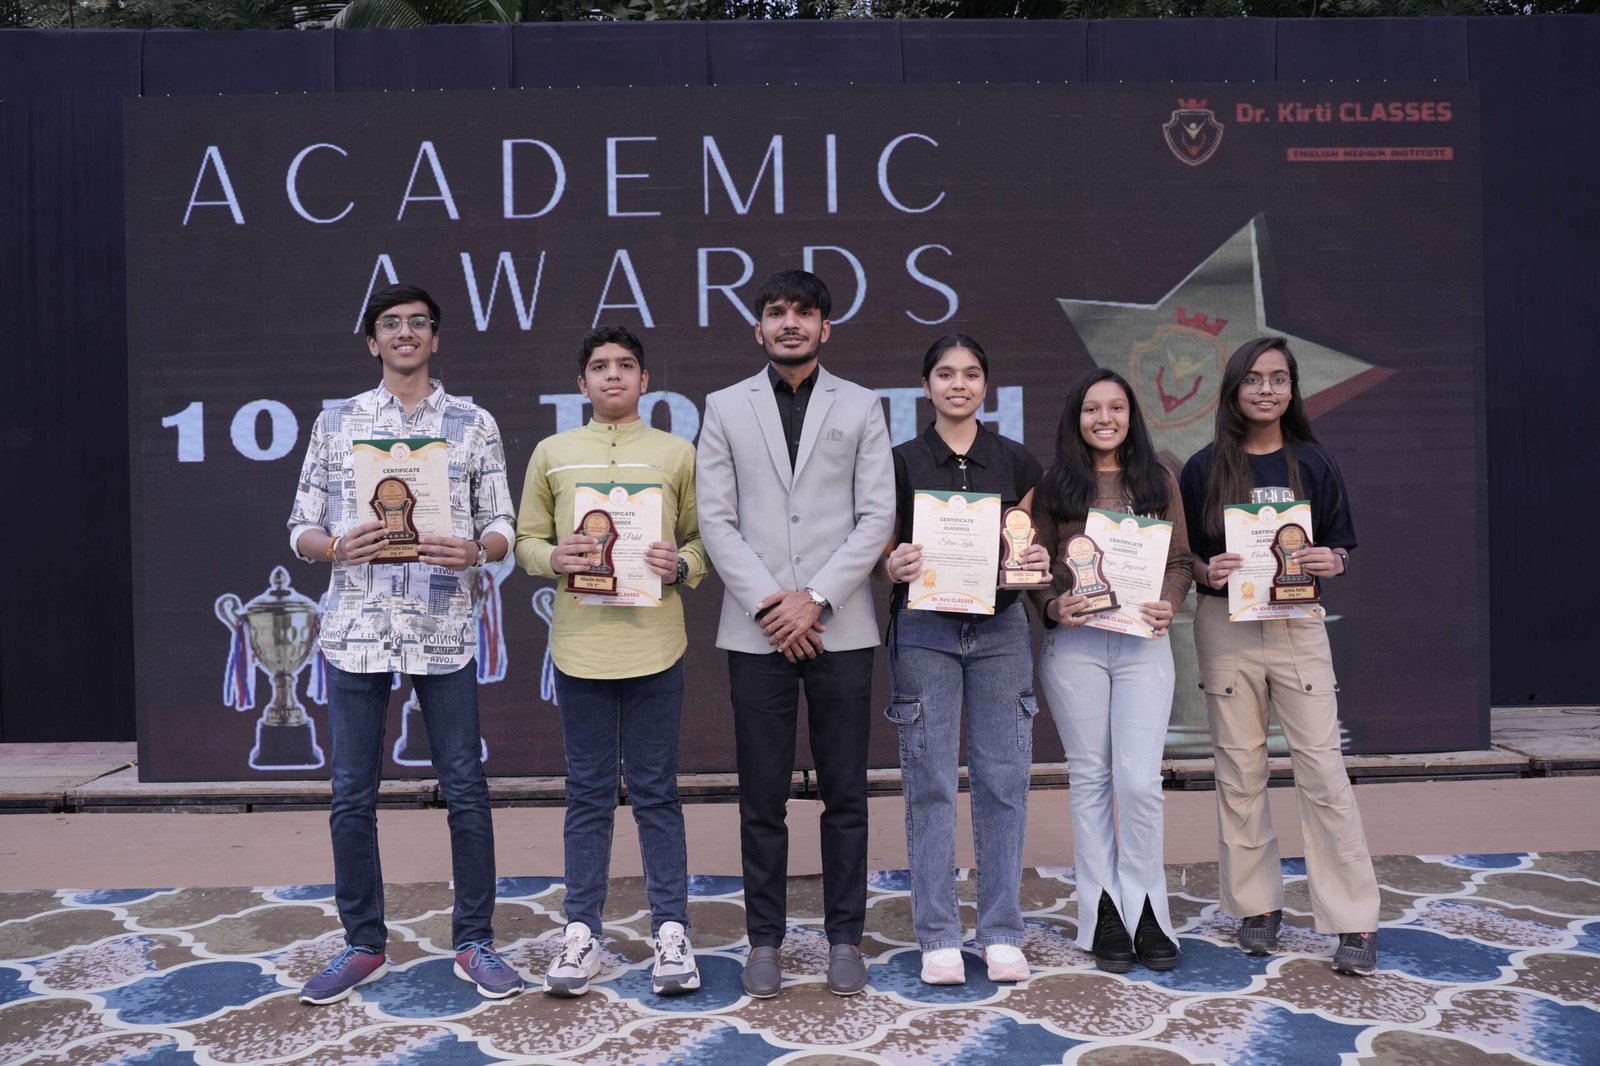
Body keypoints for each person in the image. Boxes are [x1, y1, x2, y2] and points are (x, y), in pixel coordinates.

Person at [287, 283, 521, 1004]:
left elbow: (503, 525)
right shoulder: (338, 422)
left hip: (442, 627)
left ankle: (474, 942)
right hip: (357, 631)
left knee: (466, 790)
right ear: (373, 341)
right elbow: (299, 527)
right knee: (352, 795)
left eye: (419, 322)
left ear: (435, 338)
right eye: (391, 323)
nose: (406, 332)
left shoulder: (472, 423)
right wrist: (335, 546)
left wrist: (477, 550)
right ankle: (364, 944)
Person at [695, 269, 894, 999]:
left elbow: (876, 516)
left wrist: (814, 601)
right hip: (758, 632)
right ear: (758, 327)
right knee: (761, 799)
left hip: (840, 626)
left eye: (803, 313)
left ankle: (845, 938)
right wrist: (773, 608)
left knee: (846, 793)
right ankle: (765, 941)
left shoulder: (862, 404)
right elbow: (716, 520)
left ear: (824, 327)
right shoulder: (724, 406)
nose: (789, 323)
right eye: (776, 312)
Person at [513, 325, 707, 998]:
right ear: (582, 383)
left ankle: (671, 930)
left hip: (656, 645)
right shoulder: (553, 454)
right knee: (589, 793)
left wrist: (680, 564)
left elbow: (701, 541)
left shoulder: (678, 453)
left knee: (657, 792)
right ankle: (581, 933)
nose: (614, 375)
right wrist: (553, 556)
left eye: (626, 365)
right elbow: (525, 540)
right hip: (581, 647)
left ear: (645, 380)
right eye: (600, 366)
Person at [1179, 335, 1380, 977]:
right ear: (1233, 389)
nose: (1266, 390)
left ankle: (1352, 918)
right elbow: (1189, 558)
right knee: (1240, 771)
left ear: (1292, 389)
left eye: (1278, 379)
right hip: (1226, 627)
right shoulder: (1203, 467)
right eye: (1254, 379)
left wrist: (1332, 560)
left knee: (1322, 771)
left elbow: (1341, 546)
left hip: (1296, 625)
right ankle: (1256, 906)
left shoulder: (1315, 463)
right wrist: (1209, 571)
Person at [877, 335, 1048, 986]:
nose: (958, 384)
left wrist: (1033, 562)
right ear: (925, 387)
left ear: (986, 386)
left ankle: (1002, 932)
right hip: (925, 630)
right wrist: (891, 564)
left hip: (1001, 629)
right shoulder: (899, 462)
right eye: (945, 374)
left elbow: (1027, 550)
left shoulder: (1016, 461)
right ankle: (939, 936)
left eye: (971, 374)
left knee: (1004, 780)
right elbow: (881, 548)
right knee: (930, 784)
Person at [1031, 368, 1192, 974]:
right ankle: (1101, 911)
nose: (1105, 418)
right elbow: (1035, 567)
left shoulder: (1158, 480)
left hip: (1142, 645)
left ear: (1131, 415)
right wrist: (1052, 605)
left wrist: (1169, 602)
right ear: (1076, 418)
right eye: (1092, 408)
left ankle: (1148, 909)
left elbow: (1180, 560)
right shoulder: (1055, 485)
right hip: (1076, 648)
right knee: (1091, 780)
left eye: (1116, 407)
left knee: (1139, 783)